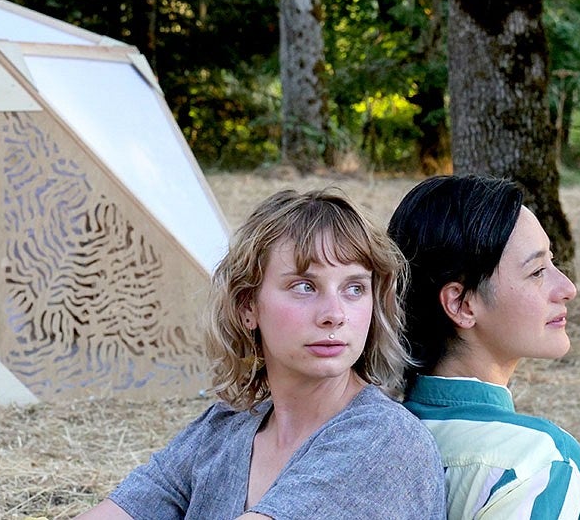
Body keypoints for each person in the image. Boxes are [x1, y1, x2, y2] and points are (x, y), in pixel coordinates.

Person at [77, 189, 447, 520]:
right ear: (246, 306)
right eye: (304, 286)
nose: (335, 314)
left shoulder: (386, 439)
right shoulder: (225, 427)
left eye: (354, 288)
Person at [388, 175, 580, 520]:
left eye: (553, 263)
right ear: (462, 304)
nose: (567, 287)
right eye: (538, 271)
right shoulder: (539, 461)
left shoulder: (365, 434)